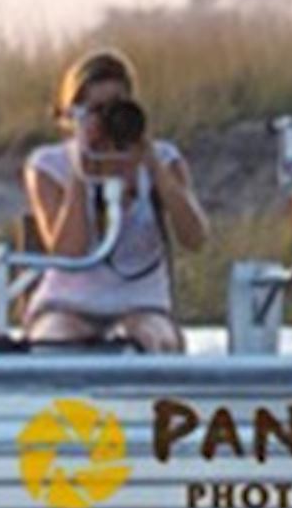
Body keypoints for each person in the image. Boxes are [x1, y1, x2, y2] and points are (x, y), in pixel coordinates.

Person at [18, 48, 208, 349]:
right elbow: (69, 254)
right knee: (56, 342)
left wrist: (152, 166)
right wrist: (82, 172)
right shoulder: (49, 165)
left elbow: (195, 238)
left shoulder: (163, 159)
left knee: (148, 338)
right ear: (76, 115)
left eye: (118, 107)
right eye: (98, 110)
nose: (109, 120)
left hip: (143, 304)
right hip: (68, 303)